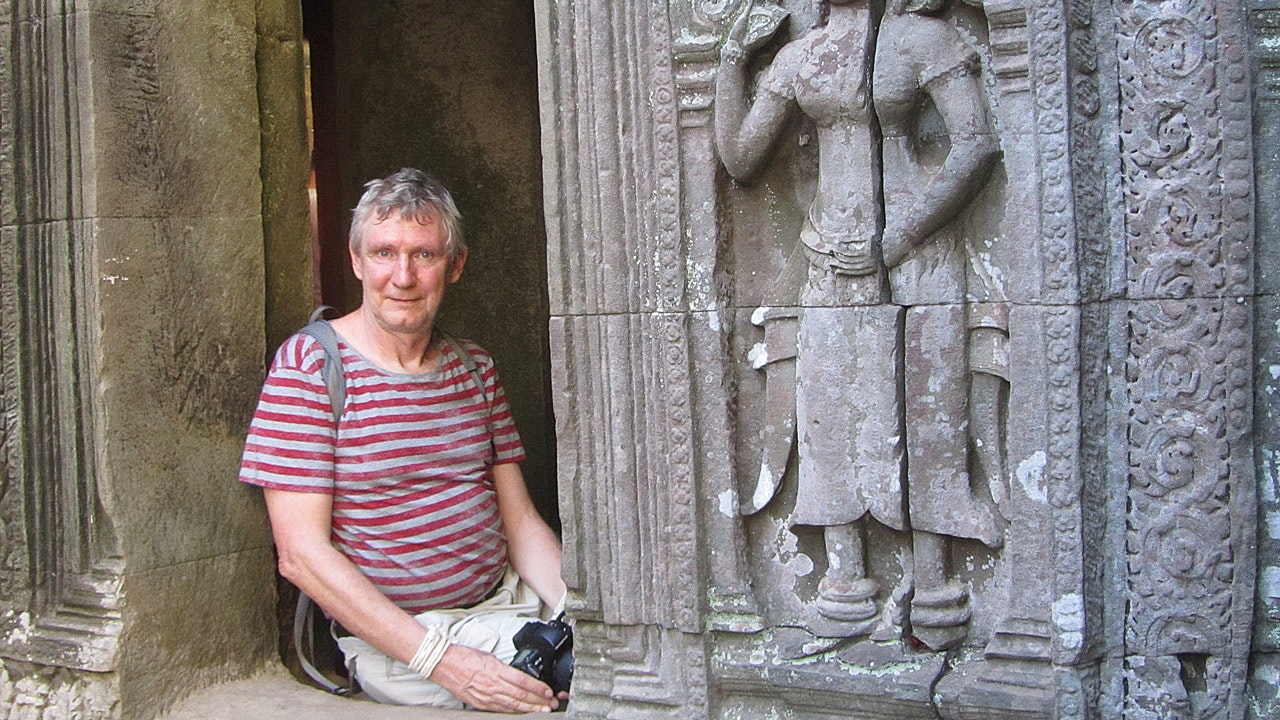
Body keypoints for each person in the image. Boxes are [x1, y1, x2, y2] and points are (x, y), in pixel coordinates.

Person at [716, 0, 1001, 649]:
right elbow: (739, 156)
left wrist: (896, 237)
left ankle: (934, 588)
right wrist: (733, 61)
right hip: (830, 252)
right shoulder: (801, 57)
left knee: (927, 411)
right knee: (829, 416)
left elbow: (976, 142)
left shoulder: (921, 40)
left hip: (916, 250)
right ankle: (846, 585)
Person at [239, 168, 568, 712]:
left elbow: (521, 523)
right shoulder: (311, 366)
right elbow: (301, 555)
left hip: (507, 607)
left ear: (454, 265)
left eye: (424, 255)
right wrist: (445, 662)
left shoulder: (474, 366)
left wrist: (574, 616)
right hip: (402, 644)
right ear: (356, 261)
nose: (402, 276)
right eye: (384, 253)